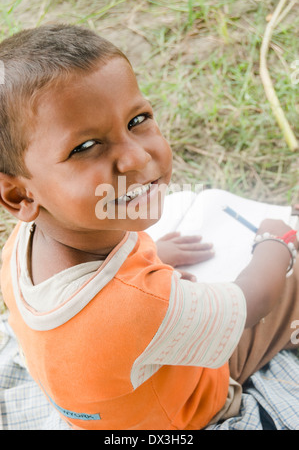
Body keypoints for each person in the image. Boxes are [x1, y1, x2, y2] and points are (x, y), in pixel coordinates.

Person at [0, 24, 298, 430]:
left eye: (138, 119)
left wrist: (150, 256)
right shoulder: (143, 307)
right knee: (288, 280)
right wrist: (275, 240)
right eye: (85, 147)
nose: (136, 158)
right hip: (188, 415)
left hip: (119, 409)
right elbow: (254, 301)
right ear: (20, 196)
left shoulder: (21, 246)